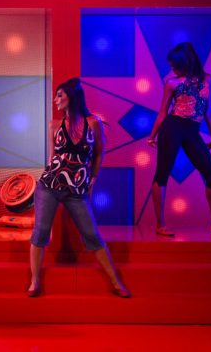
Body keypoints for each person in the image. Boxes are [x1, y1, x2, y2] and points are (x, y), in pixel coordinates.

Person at [28, 78, 130, 298]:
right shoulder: (54, 125)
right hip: (50, 186)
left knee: (92, 234)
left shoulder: (93, 123)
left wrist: (93, 178)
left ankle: (116, 281)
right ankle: (35, 280)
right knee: (41, 232)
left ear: (72, 97)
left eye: (60, 95)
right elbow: (53, 157)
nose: (56, 100)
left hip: (76, 191)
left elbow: (99, 152)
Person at [147, 42, 211, 237]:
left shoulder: (207, 80)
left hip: (192, 131)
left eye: (175, 65)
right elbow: (162, 112)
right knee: (162, 173)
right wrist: (152, 135)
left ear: (186, 63)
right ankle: (160, 225)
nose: (172, 68)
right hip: (172, 127)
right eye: (171, 65)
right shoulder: (172, 83)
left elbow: (208, 110)